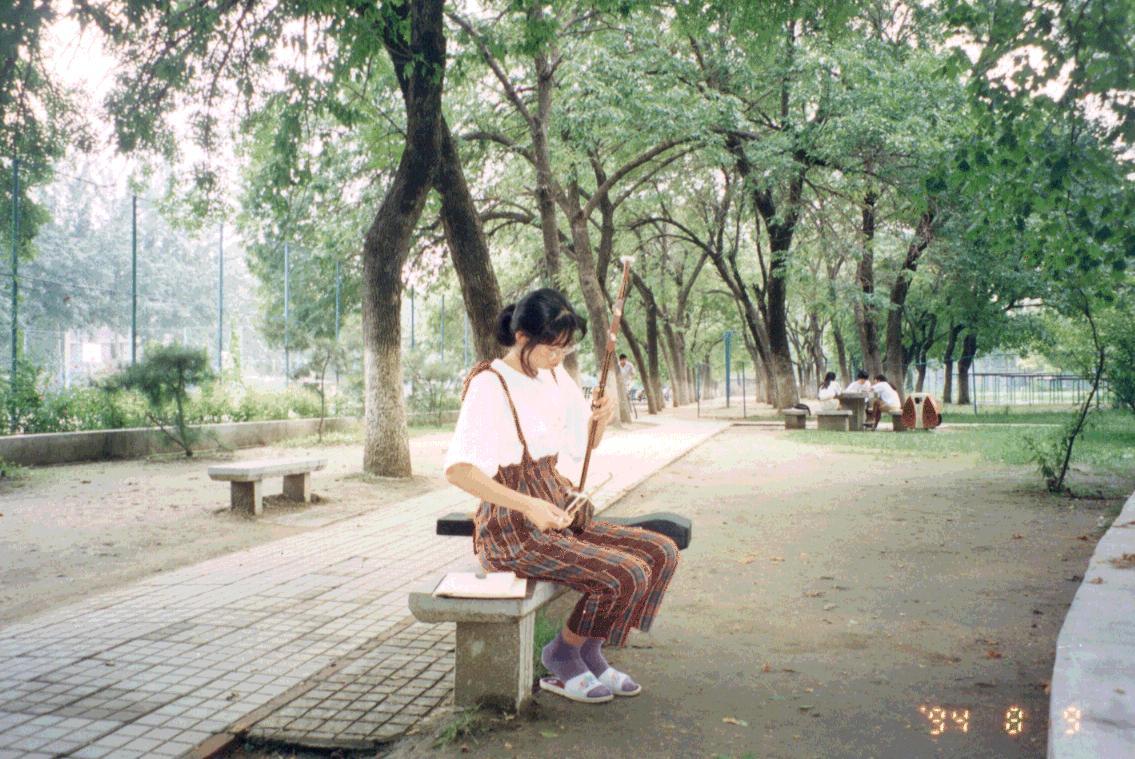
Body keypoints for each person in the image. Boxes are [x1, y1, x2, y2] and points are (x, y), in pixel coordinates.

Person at [444, 288, 680, 704]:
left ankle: (589, 653)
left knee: (661, 551)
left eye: (565, 349)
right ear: (521, 337)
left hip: (557, 509)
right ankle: (563, 655)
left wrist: (601, 418)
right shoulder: (489, 384)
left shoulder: (554, 377)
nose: (558, 358)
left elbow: (586, 442)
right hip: (511, 528)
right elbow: (459, 470)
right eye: (551, 348)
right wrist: (527, 505)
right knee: (625, 572)